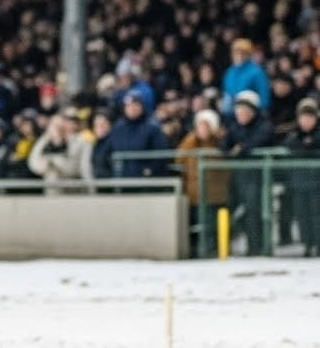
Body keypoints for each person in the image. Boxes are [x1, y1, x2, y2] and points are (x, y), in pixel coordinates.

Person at [220, 90, 275, 256]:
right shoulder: (234, 126)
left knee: (253, 212)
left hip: (257, 177)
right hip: (237, 176)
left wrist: (241, 148)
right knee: (232, 210)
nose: (241, 114)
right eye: (238, 111)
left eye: (244, 111)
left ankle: (256, 247)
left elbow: (258, 141)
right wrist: (231, 149)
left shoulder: (264, 125)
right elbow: (224, 145)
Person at [176, 109, 228, 257]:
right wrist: (191, 139)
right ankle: (194, 251)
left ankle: (213, 251)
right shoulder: (190, 143)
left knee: (211, 226)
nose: (203, 129)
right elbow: (179, 158)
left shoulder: (219, 143)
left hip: (214, 194)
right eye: (200, 126)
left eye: (206, 126)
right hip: (194, 193)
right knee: (193, 225)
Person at [281, 98, 320, 256]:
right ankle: (307, 244)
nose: (306, 121)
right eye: (303, 117)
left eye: (309, 117)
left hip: (317, 183)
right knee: (302, 216)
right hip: (299, 182)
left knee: (317, 215)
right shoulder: (293, 135)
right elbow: (288, 146)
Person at [27, 108, 94, 191]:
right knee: (52, 174)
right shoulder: (48, 139)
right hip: (51, 188)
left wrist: (92, 188)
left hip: (74, 188)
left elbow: (81, 167)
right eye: (66, 120)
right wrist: (49, 134)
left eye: (73, 121)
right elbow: (33, 163)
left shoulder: (83, 141)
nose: (70, 124)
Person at [107, 92, 170, 177]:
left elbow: (162, 152)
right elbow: (108, 150)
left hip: (146, 181)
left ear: (142, 107)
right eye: (129, 106)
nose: (132, 108)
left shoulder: (152, 127)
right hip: (122, 180)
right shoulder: (118, 128)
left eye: (135, 105)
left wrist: (150, 169)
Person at [221, 39, 270, 114]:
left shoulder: (257, 71)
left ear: (248, 55)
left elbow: (264, 97)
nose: (239, 56)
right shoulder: (229, 72)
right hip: (234, 114)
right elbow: (227, 94)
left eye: (242, 54)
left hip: (253, 113)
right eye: (235, 53)